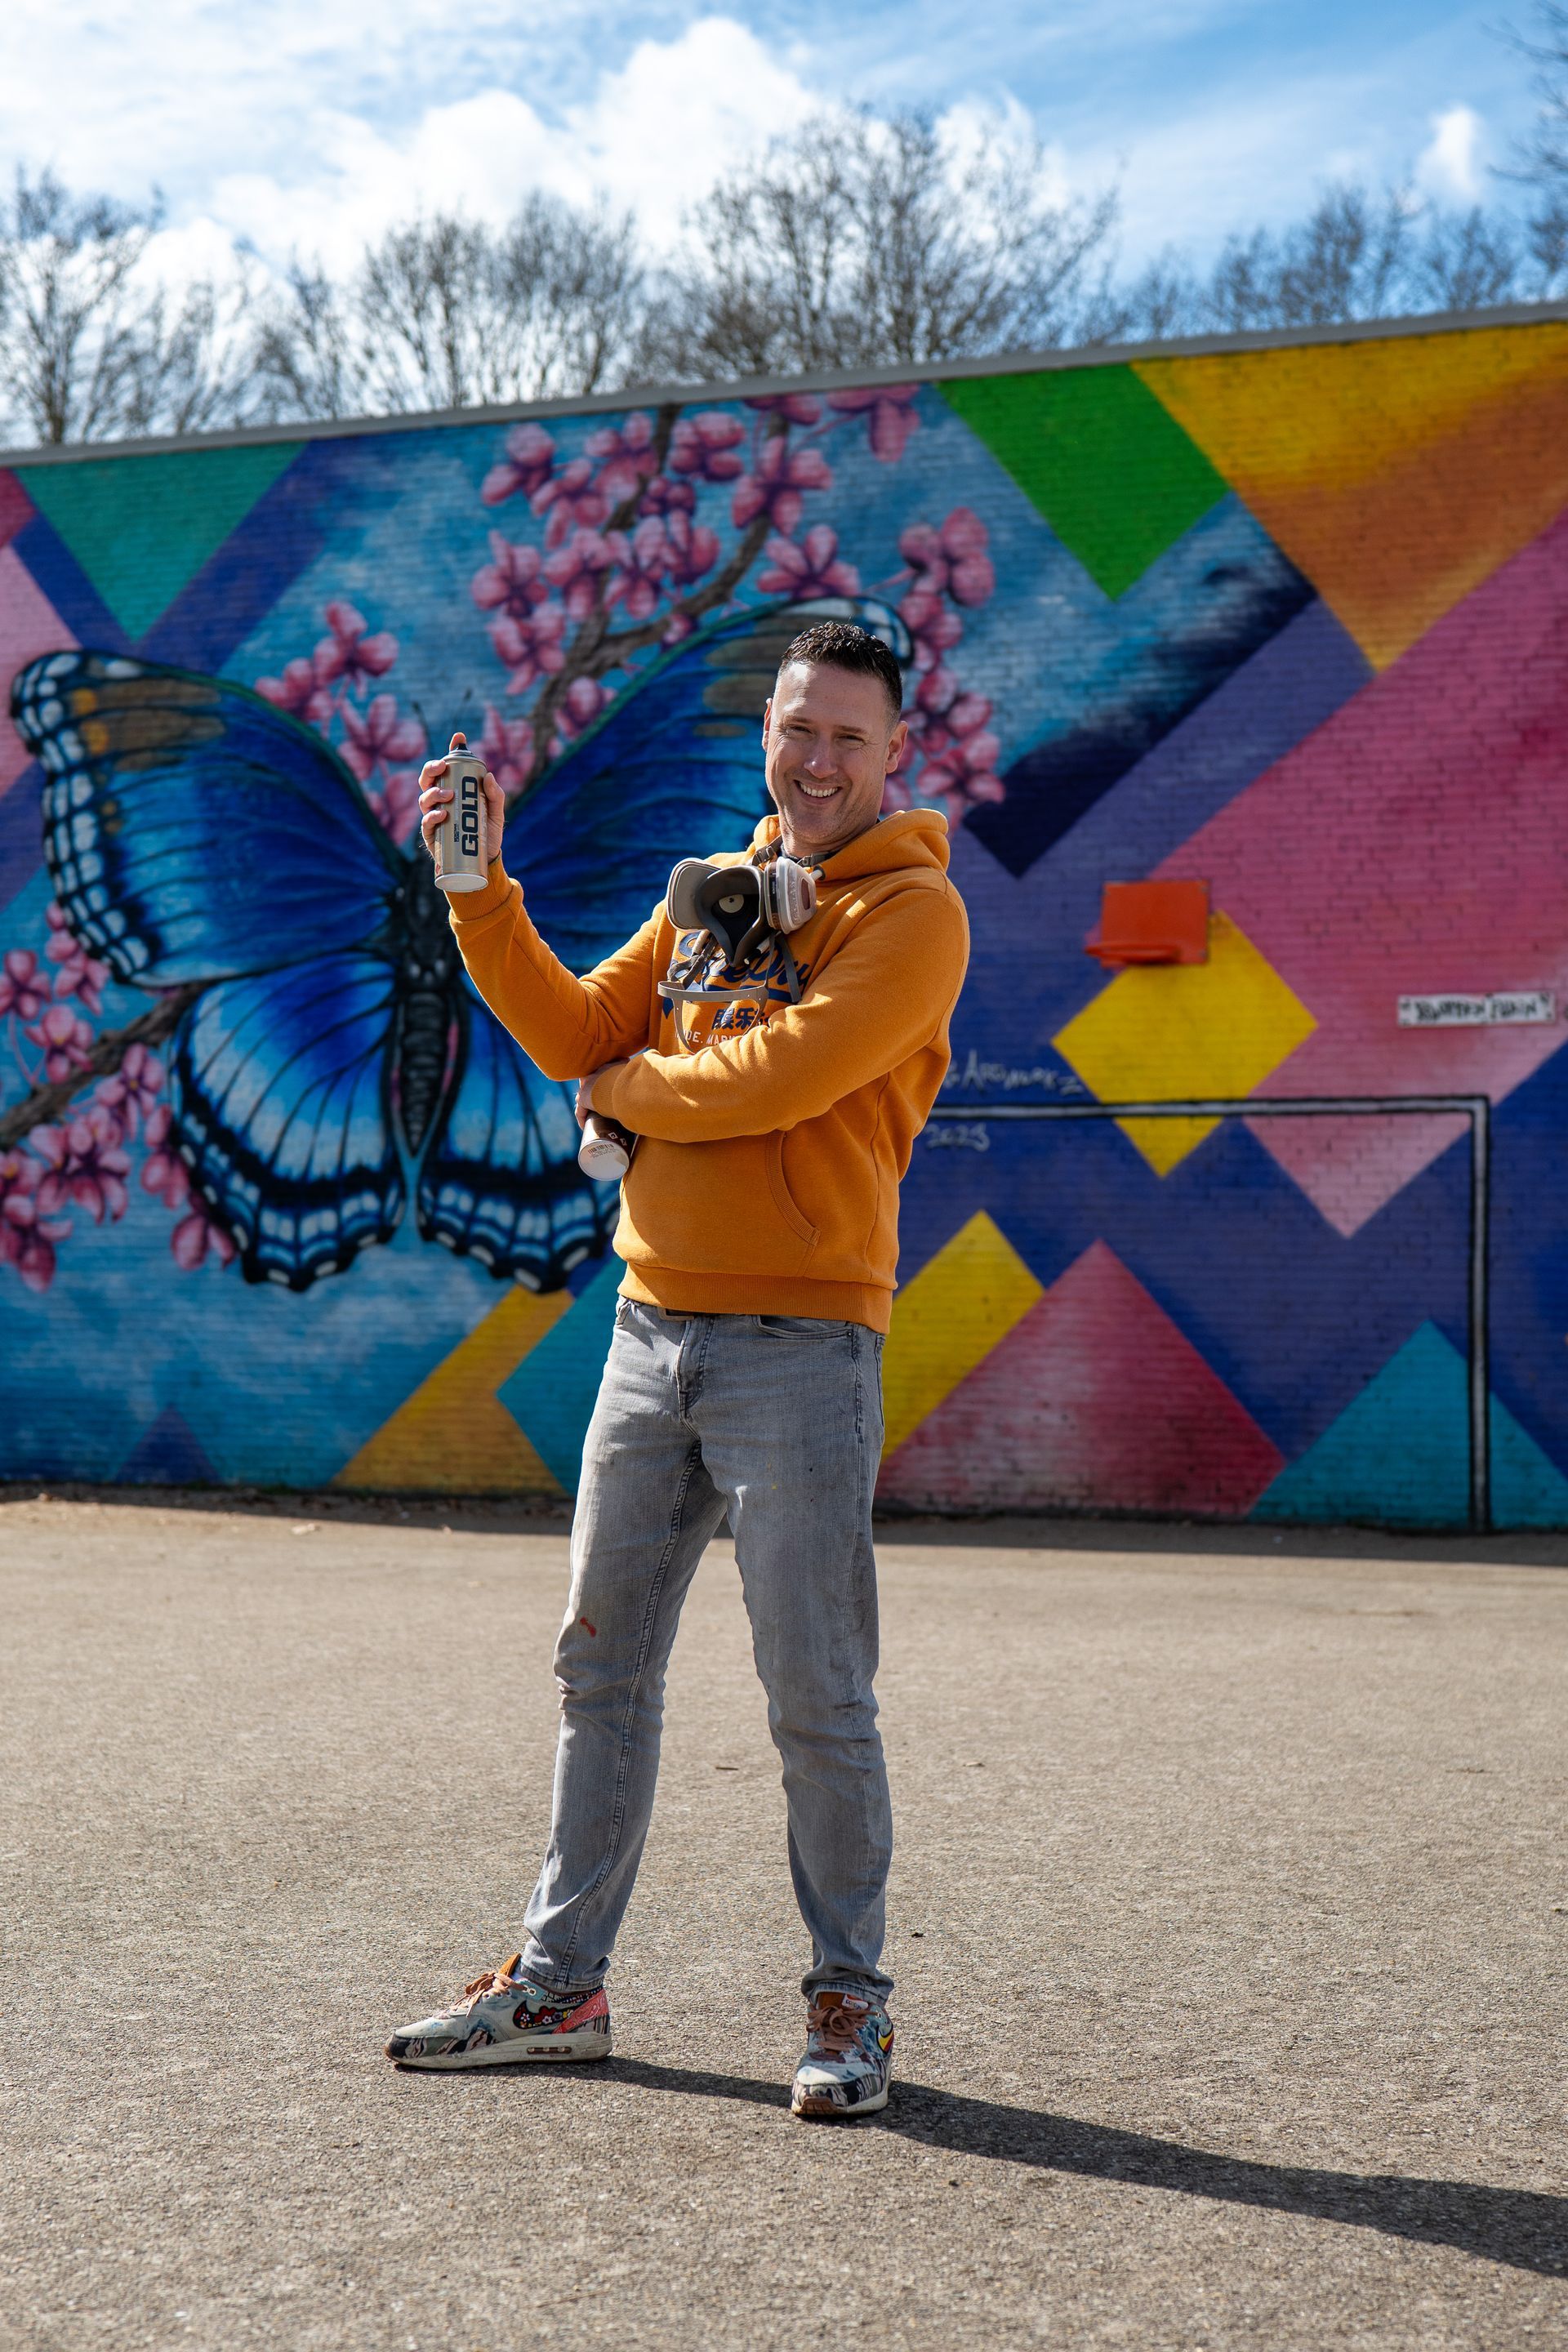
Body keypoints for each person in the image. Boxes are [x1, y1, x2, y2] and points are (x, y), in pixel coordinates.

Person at [385, 621, 969, 2118]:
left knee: (817, 1695)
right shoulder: (714, 894)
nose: (816, 759)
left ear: (896, 751)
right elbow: (577, 1018)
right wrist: (478, 895)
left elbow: (778, 1077)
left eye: (848, 734)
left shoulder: (915, 916)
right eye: (795, 729)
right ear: (766, 734)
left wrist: (621, 1091)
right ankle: (558, 1986)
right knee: (600, 1671)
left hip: (804, 1346)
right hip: (650, 1336)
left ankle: (852, 2004)